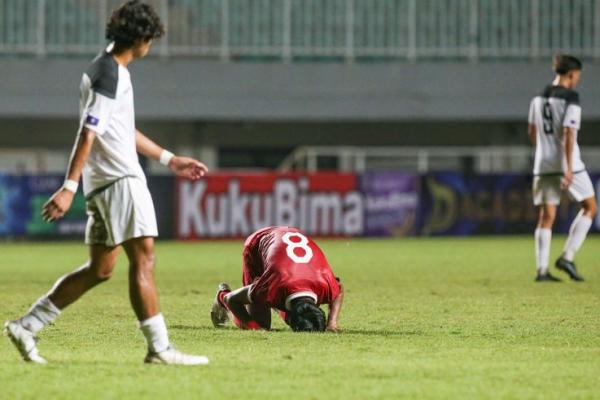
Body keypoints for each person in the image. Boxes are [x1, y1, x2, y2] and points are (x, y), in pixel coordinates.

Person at [4, 1, 209, 365]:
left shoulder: (104, 69)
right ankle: (159, 348)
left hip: (106, 183)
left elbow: (119, 129)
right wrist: (69, 187)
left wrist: (168, 159)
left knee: (101, 269)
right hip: (119, 180)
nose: (151, 46)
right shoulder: (110, 73)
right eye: (151, 40)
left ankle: (27, 325)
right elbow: (88, 132)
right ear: (142, 37)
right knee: (144, 258)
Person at [528, 54, 597, 282]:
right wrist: (567, 167)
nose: (577, 79)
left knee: (546, 216)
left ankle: (541, 270)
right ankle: (567, 256)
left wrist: (544, 152)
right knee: (590, 207)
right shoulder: (571, 98)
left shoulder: (538, 97)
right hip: (568, 164)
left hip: (542, 164)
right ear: (571, 74)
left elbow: (532, 131)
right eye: (577, 75)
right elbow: (569, 131)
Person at [211, 226, 344, 332]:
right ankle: (221, 296)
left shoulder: (324, 284)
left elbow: (339, 290)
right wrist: (255, 328)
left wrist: (332, 323)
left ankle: (270, 299)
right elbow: (232, 300)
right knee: (261, 323)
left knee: (270, 296)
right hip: (258, 244)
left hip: (287, 242)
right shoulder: (274, 283)